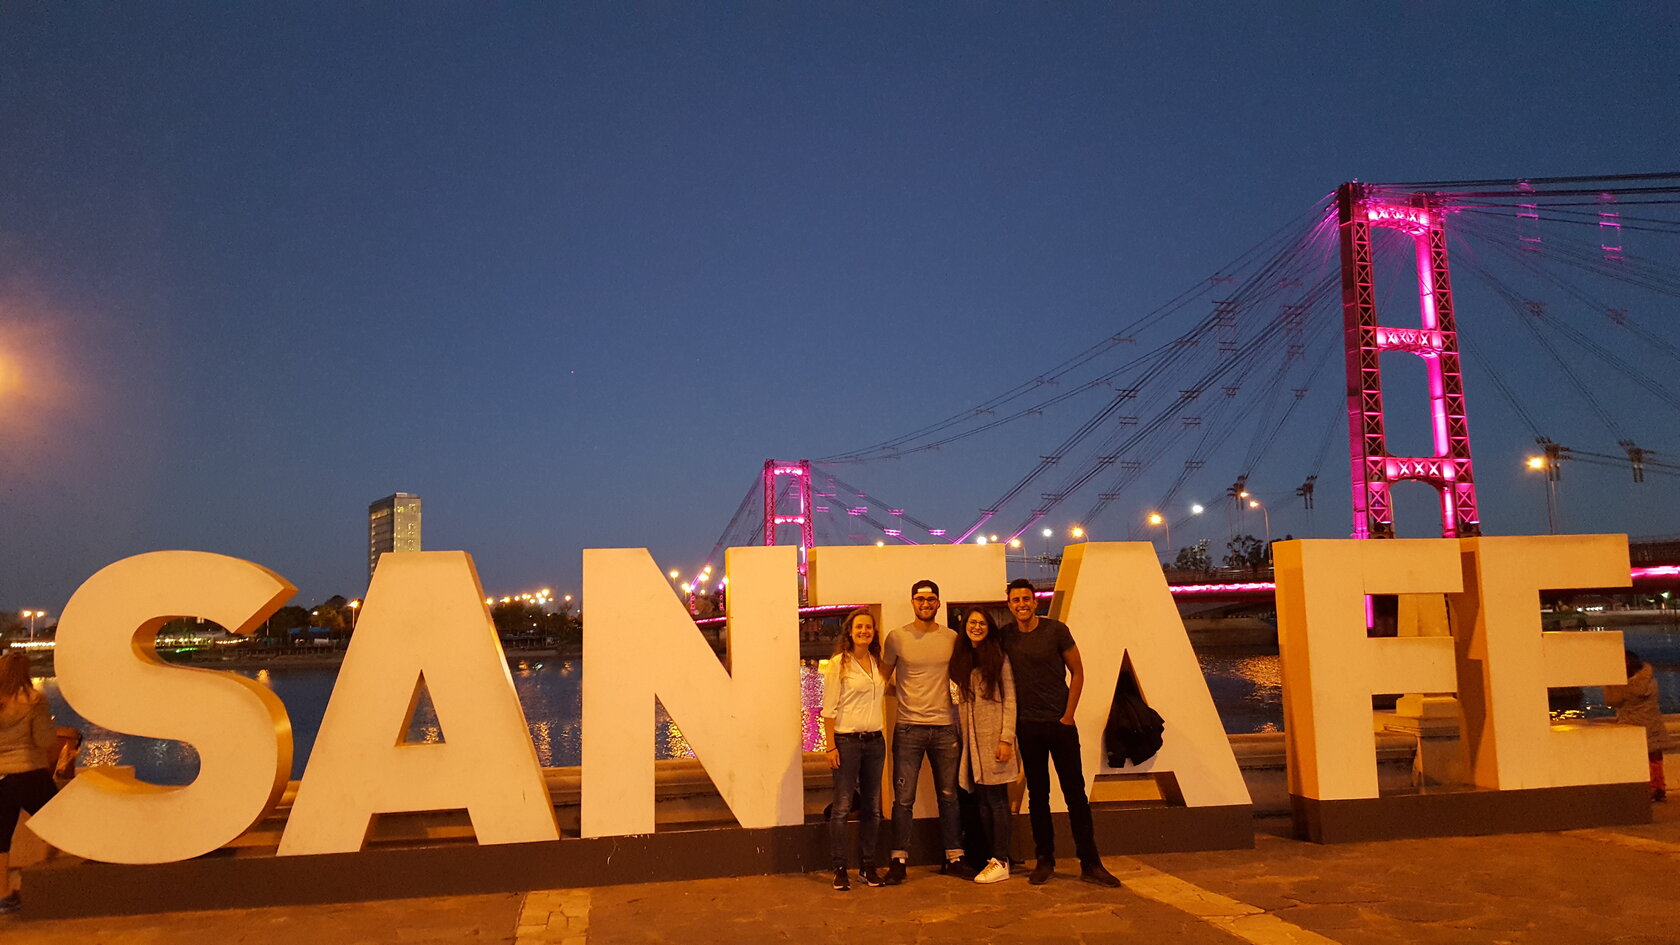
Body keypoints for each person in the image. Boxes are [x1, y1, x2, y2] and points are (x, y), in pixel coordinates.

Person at [999, 577, 1121, 887]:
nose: (1021, 604)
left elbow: (1078, 671)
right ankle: (1045, 860)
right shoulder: (1006, 637)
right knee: (1038, 796)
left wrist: (1068, 716)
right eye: (1016, 600)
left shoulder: (1056, 630)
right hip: (1027, 726)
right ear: (1009, 604)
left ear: (1034, 601)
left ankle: (1090, 863)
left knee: (1075, 794)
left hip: (1060, 725)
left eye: (1026, 599)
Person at [880, 579, 970, 883]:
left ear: (939, 603)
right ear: (912, 602)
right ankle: (898, 861)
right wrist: (905, 694)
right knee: (903, 798)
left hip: (946, 727)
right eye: (920, 599)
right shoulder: (896, 638)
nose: (925, 604)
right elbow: (882, 679)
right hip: (908, 727)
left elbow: (965, 677)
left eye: (931, 599)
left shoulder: (953, 638)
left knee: (949, 795)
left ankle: (954, 857)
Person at [819, 607, 887, 891]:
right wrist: (831, 746)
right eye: (858, 627)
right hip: (847, 742)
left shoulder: (877, 662)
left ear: (873, 633)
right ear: (850, 631)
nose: (863, 632)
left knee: (872, 807)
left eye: (868, 628)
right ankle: (840, 867)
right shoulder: (839, 663)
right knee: (843, 806)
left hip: (875, 741)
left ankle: (868, 866)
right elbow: (828, 709)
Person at [950, 606, 1018, 884]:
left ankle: (1001, 859)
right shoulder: (962, 658)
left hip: (993, 741)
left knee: (998, 801)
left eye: (982, 623)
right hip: (972, 743)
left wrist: (1006, 739)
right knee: (983, 802)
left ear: (989, 628)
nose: (976, 627)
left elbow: (1011, 700)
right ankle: (992, 856)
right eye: (972, 622)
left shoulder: (998, 659)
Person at [0, 650, 60, 915]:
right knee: (61, 822)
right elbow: (45, 740)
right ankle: (48, 874)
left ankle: (3, 895)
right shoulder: (35, 700)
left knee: (1, 840)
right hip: (29, 772)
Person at [1605, 649, 1671, 802]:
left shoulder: (1627, 687)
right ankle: (1658, 787)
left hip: (1632, 723)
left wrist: (1610, 683)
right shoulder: (1650, 681)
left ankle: (1651, 789)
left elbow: (1612, 700)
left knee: (1639, 758)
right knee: (1654, 756)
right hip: (1652, 723)